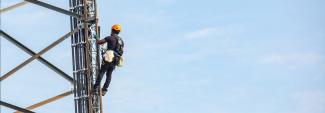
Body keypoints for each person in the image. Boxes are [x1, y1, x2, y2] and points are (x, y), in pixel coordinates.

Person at [93, 24, 124, 96]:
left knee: (102, 72)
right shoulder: (121, 41)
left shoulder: (110, 38)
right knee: (109, 74)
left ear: (112, 30)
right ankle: (104, 90)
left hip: (109, 57)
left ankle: (95, 88)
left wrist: (96, 38)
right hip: (116, 59)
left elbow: (99, 42)